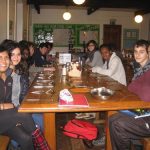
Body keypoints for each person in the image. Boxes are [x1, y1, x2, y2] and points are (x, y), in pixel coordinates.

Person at [0, 45, 48, 150]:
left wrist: (12, 115)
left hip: (7, 116)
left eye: (6, 57)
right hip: (9, 113)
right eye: (0, 57)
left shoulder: (7, 76)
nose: (4, 61)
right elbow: (10, 103)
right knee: (24, 115)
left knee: (26, 138)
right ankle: (43, 146)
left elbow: (16, 98)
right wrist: (6, 108)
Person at [109, 39, 150, 150]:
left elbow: (145, 95)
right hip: (144, 110)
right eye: (135, 51)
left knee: (118, 124)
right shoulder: (139, 69)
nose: (137, 54)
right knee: (112, 119)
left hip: (148, 114)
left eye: (141, 51)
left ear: (148, 53)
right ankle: (135, 144)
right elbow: (132, 88)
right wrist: (135, 86)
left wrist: (134, 86)